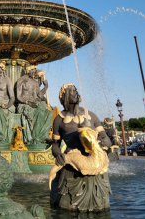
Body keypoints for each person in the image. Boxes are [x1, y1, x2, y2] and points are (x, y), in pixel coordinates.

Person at [50, 83, 111, 212]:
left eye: (76, 90)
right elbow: (55, 144)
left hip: (95, 166)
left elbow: (105, 138)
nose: (76, 93)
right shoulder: (59, 120)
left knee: (101, 208)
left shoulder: (91, 115)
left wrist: (102, 145)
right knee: (67, 208)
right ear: (65, 96)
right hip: (72, 167)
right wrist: (58, 155)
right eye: (72, 91)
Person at [16, 66, 52, 145]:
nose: (34, 72)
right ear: (28, 70)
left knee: (48, 112)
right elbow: (18, 97)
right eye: (32, 70)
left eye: (34, 70)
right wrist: (28, 102)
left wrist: (46, 86)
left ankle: (43, 135)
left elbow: (39, 95)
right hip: (24, 104)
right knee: (36, 112)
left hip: (34, 103)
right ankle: (36, 137)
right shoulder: (21, 81)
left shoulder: (35, 83)